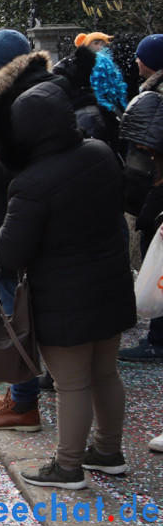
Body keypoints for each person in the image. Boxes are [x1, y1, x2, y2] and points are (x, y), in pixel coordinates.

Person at [0, 73, 135, 489]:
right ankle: (108, 452)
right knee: (106, 374)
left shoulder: (31, 183)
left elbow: (11, 251)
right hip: (110, 284)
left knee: (72, 382)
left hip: (63, 297)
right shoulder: (101, 152)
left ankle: (68, 466)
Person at [0, 29, 69, 433]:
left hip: (9, 217)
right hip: (43, 214)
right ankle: (30, 393)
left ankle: (23, 404)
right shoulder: (52, 88)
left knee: (13, 314)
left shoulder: (7, 100)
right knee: (32, 310)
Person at [119, 35, 163, 367]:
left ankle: (158, 339)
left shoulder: (157, 97)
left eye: (140, 57)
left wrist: (148, 212)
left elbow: (154, 160)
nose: (135, 61)